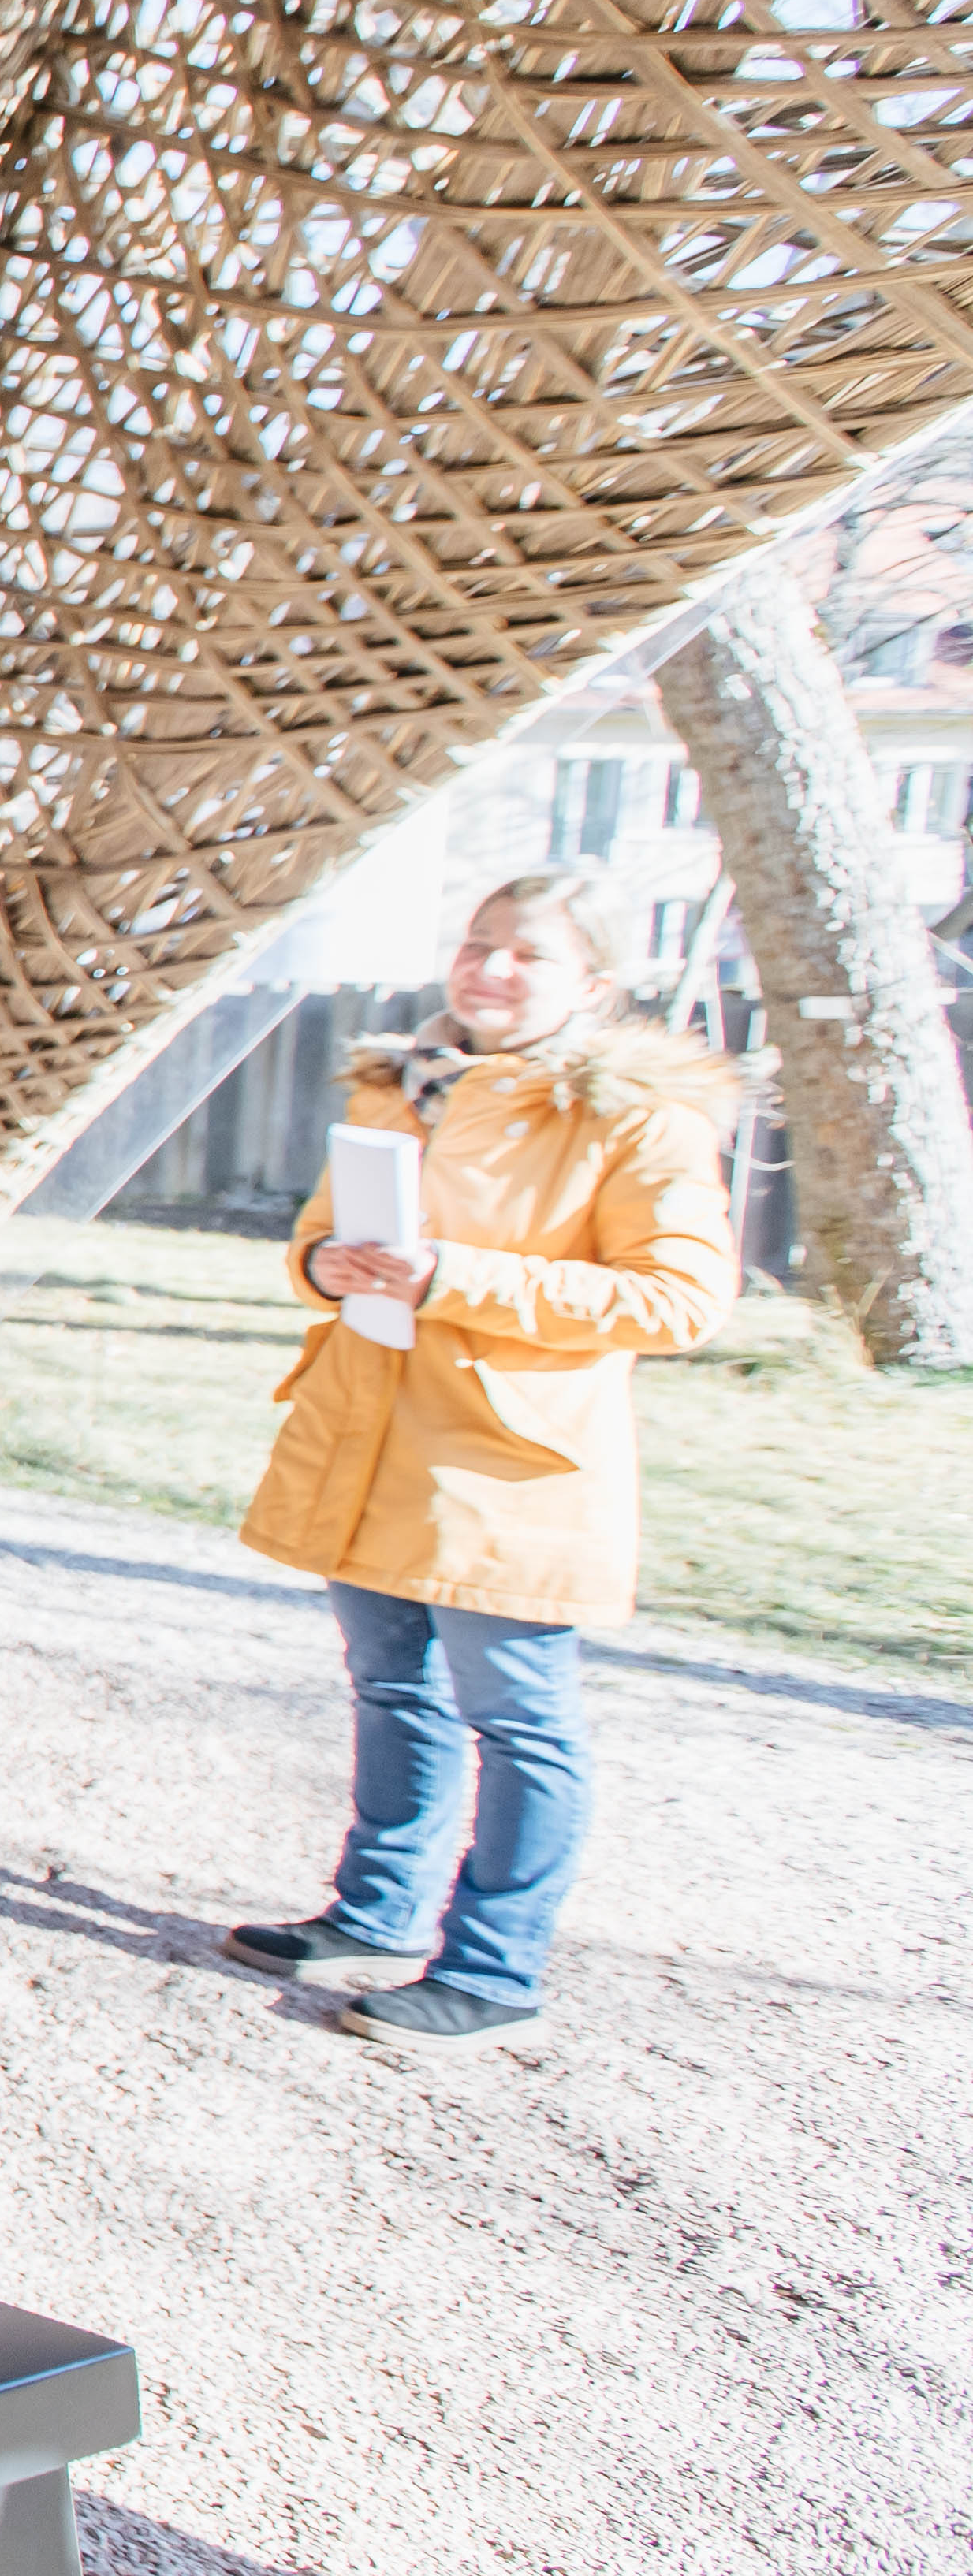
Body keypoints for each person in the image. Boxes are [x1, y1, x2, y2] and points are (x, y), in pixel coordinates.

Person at [223, 872, 736, 2053]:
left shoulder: (638, 1121)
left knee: (520, 1722)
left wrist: (457, 1279)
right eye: (478, 944)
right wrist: (327, 1270)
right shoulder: (399, 1088)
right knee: (394, 1689)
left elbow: (682, 1299)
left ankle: (497, 1968)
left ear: (594, 986)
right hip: (371, 1436)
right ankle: (375, 1914)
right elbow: (318, 1237)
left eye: (528, 956)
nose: (490, 969)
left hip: (508, 1464)